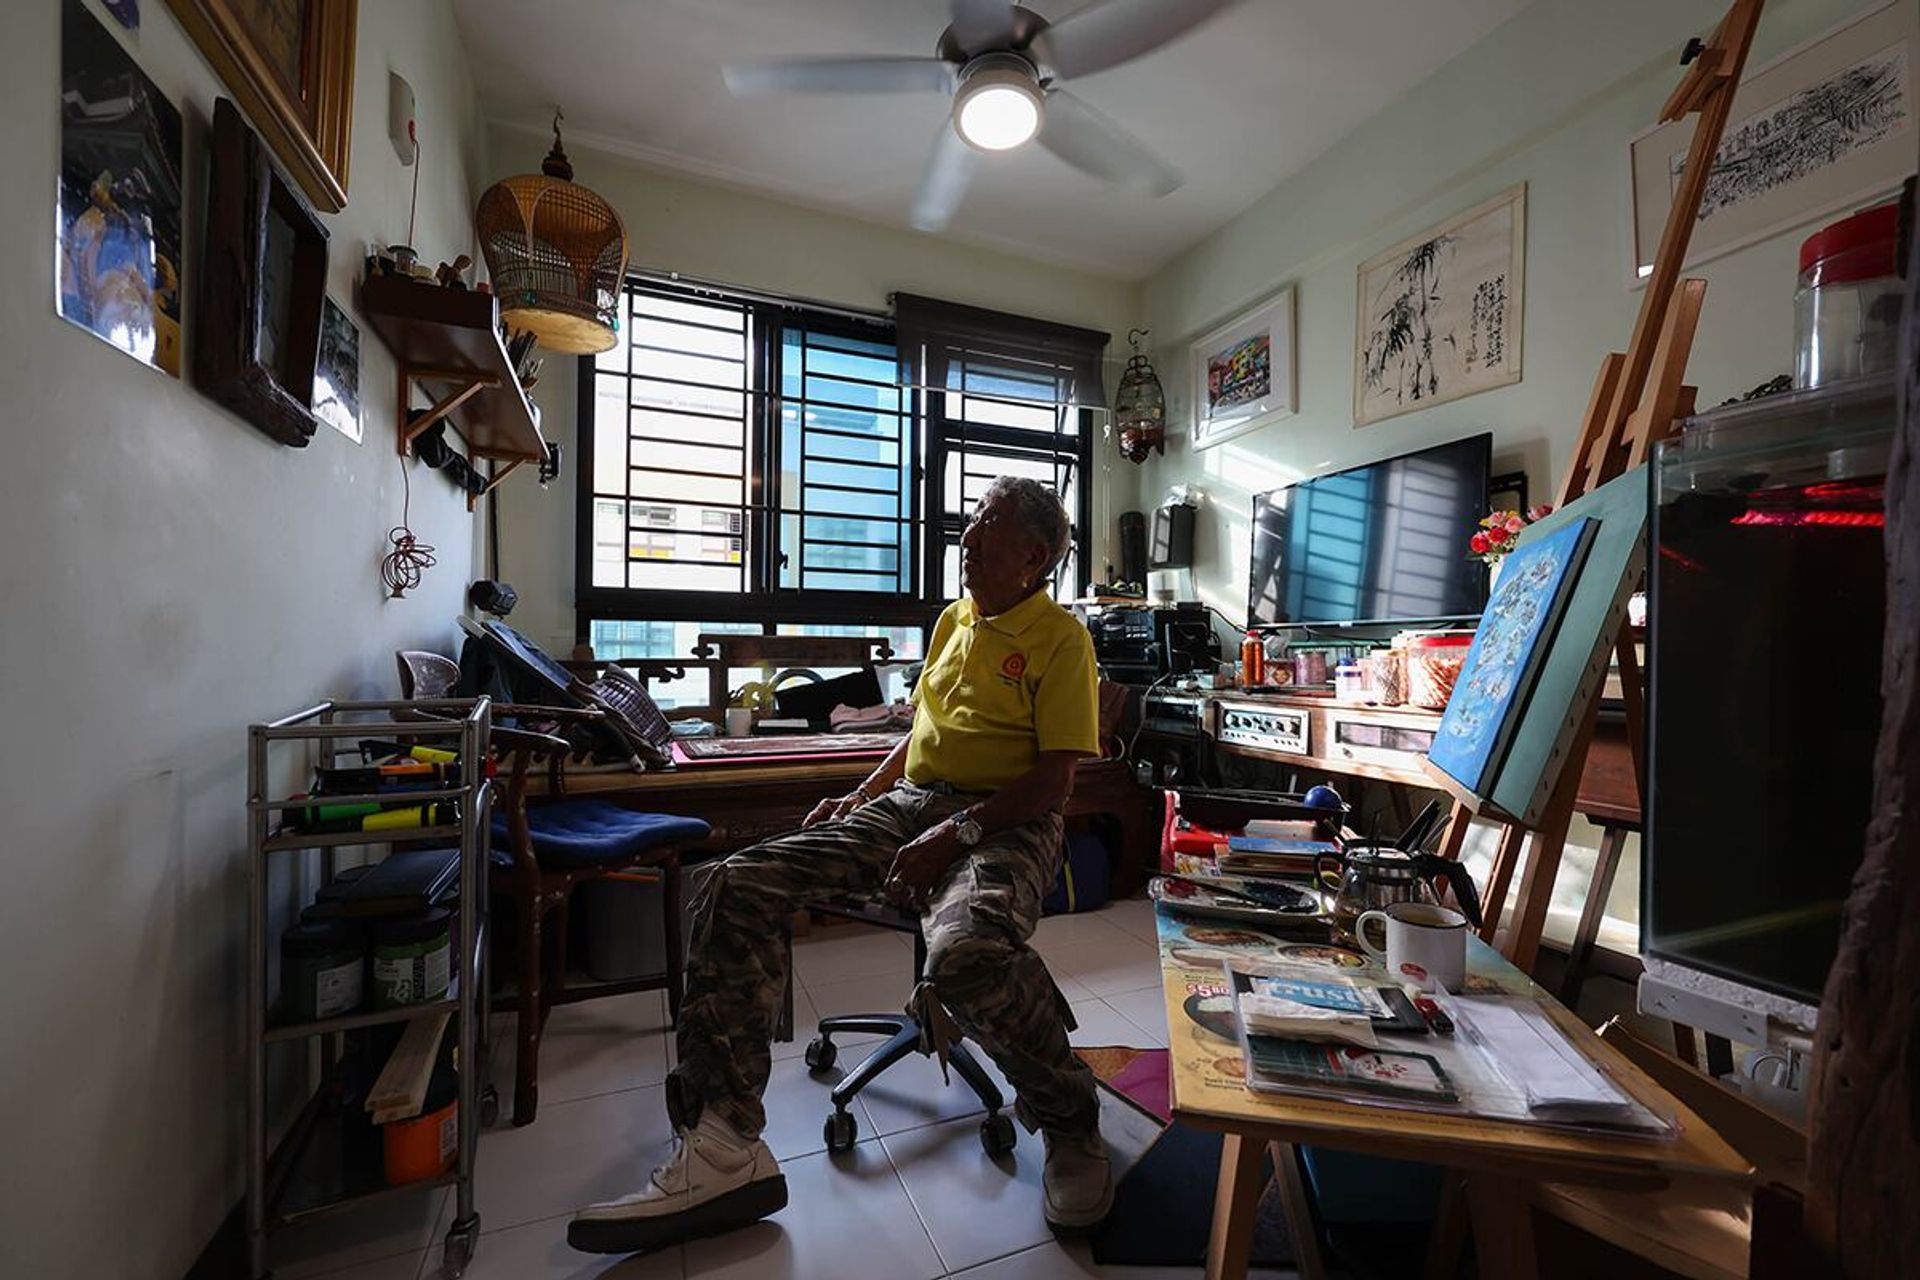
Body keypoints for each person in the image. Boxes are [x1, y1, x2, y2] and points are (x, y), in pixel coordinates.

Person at [569, 476, 1110, 1256]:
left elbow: (1056, 780)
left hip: (1006, 823)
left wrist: (954, 833)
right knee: (733, 884)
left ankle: (1071, 1122)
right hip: (914, 803)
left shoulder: (1062, 639)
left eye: (985, 524)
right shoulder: (955, 618)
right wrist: (860, 796)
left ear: (1033, 555)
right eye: (972, 520)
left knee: (967, 955)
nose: (966, 536)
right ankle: (725, 1146)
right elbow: (922, 729)